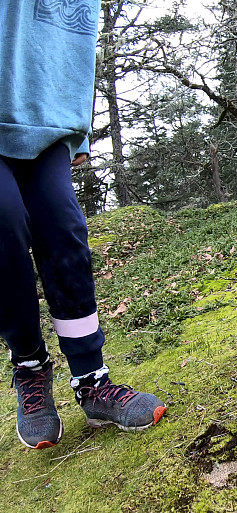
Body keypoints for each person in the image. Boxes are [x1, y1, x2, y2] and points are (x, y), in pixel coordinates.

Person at [1, 1, 166, 449]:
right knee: (4, 222)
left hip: (46, 122)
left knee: (64, 229)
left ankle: (91, 380)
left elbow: (71, 48)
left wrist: (80, 128)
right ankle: (30, 365)